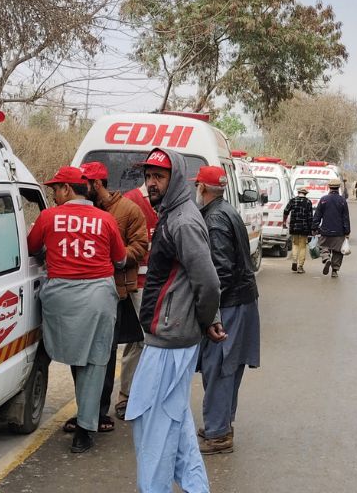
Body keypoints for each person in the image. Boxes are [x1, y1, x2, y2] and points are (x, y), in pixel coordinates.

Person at [126, 148, 223, 493]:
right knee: (174, 420)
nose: (151, 183)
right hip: (170, 336)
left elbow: (208, 281)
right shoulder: (173, 213)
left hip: (170, 340)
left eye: (159, 176)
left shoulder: (182, 221)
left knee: (152, 424)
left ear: (176, 178)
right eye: (148, 176)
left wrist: (207, 319)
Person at [27, 166, 127, 453]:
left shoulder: (48, 217)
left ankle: (82, 416)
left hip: (61, 299)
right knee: (94, 360)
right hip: (98, 298)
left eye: (55, 189)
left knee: (75, 354)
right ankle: (85, 428)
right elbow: (120, 259)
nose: (54, 195)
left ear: (67, 189)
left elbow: (32, 248)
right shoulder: (106, 219)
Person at [194, 165, 261, 455]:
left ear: (202, 188)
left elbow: (221, 270)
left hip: (230, 303)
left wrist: (210, 313)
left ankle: (219, 433)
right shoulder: (226, 211)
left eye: (196, 185)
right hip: (242, 300)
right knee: (228, 368)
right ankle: (220, 424)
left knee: (220, 367)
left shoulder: (215, 219)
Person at [79, 161, 149, 432]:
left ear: (96, 184)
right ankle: (87, 411)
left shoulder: (128, 210)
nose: (78, 188)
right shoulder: (83, 210)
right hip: (84, 292)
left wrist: (115, 259)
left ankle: (100, 411)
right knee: (85, 352)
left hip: (115, 292)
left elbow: (140, 246)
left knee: (106, 353)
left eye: (84, 183)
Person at [116, 183, 158, 420]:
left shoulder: (167, 201)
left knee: (144, 341)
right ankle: (127, 394)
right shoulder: (132, 201)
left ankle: (136, 393)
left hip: (160, 284)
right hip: (139, 283)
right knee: (142, 340)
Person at [313, 177, 351, 277]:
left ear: (329, 187)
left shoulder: (324, 199)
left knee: (323, 246)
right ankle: (334, 270)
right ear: (338, 187)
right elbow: (345, 217)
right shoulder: (342, 200)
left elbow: (317, 215)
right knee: (338, 251)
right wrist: (347, 231)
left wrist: (314, 228)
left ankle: (326, 259)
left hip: (325, 230)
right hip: (339, 231)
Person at [282, 186, 317, 273]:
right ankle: (300, 266)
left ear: (298, 193)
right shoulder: (308, 202)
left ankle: (294, 261)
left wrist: (284, 221)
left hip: (294, 227)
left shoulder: (293, 200)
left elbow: (286, 211)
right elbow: (310, 217)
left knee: (295, 244)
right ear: (306, 194)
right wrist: (312, 229)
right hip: (304, 228)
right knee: (302, 247)